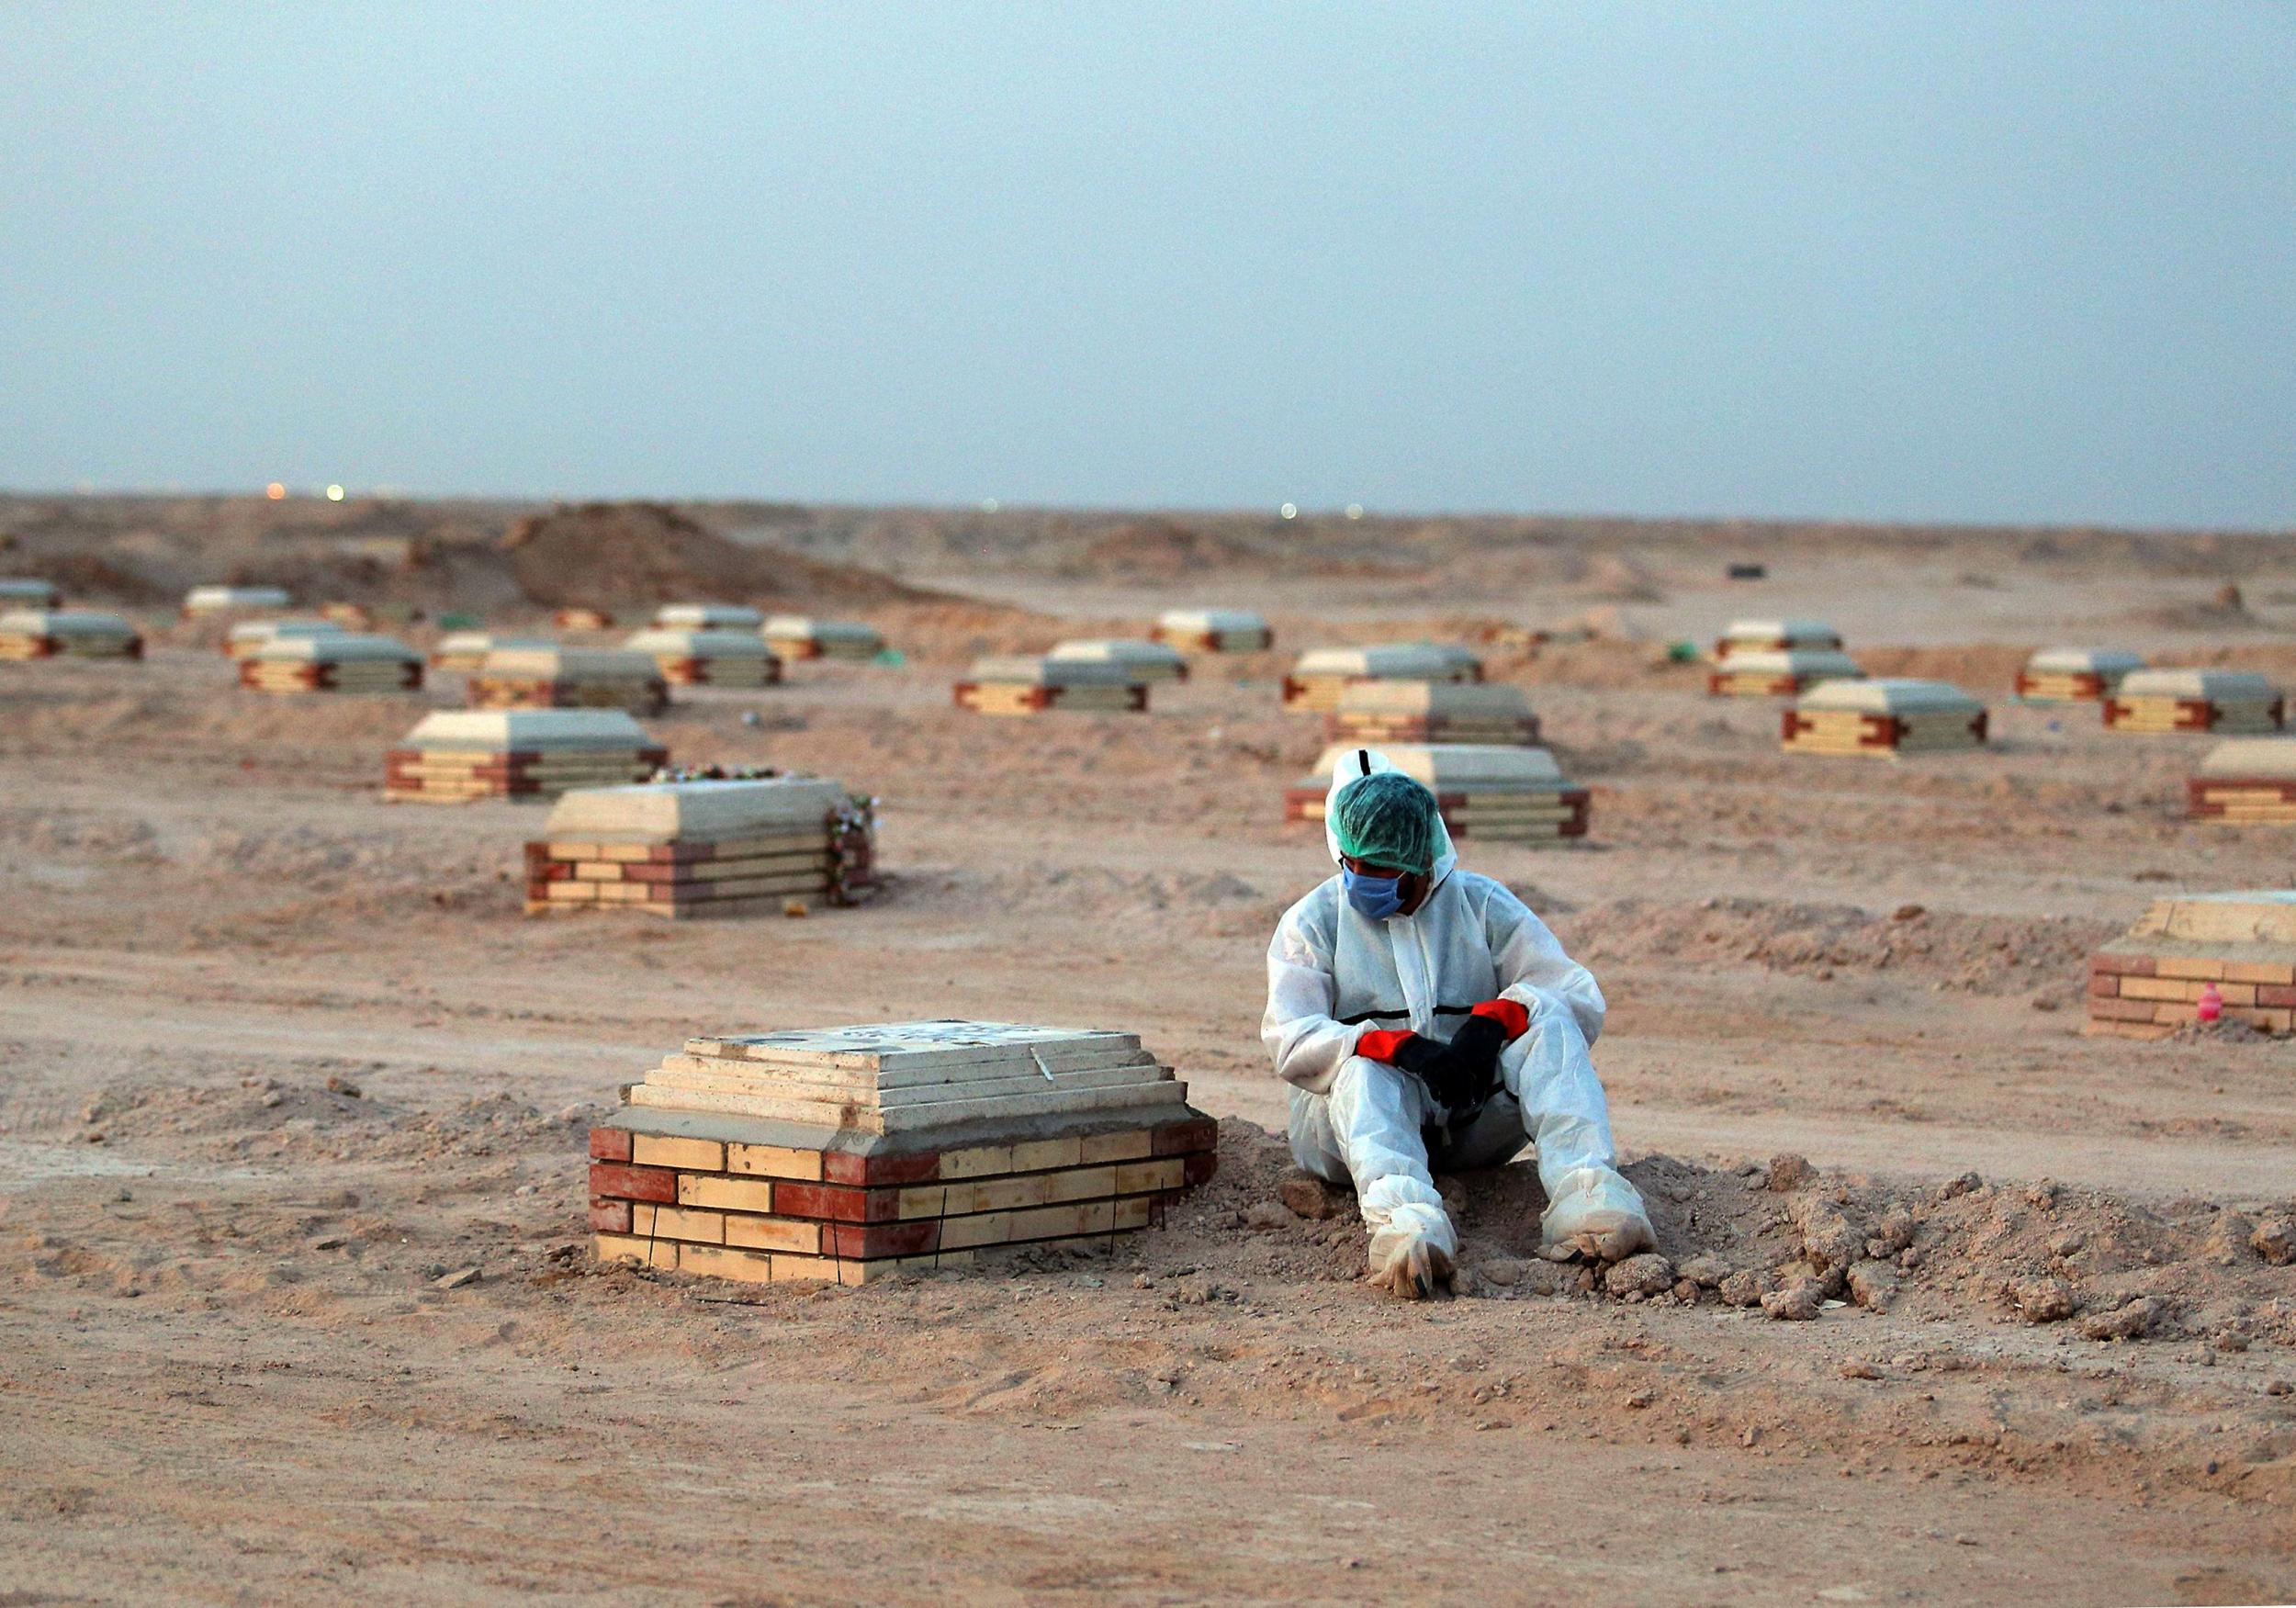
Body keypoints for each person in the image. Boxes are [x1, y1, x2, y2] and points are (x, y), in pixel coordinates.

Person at [1263, 747, 1655, 1299]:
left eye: (1389, 873)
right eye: (1357, 867)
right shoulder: (1313, 922)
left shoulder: (1481, 905)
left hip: (1469, 1124)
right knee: (1360, 1070)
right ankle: (1406, 1226)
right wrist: (1389, 1046)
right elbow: (1290, 1038)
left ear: (1428, 861)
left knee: (1549, 1024)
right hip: (1349, 1135)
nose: (1370, 883)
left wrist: (1495, 1020)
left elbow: (1575, 993)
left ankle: (1588, 1200)